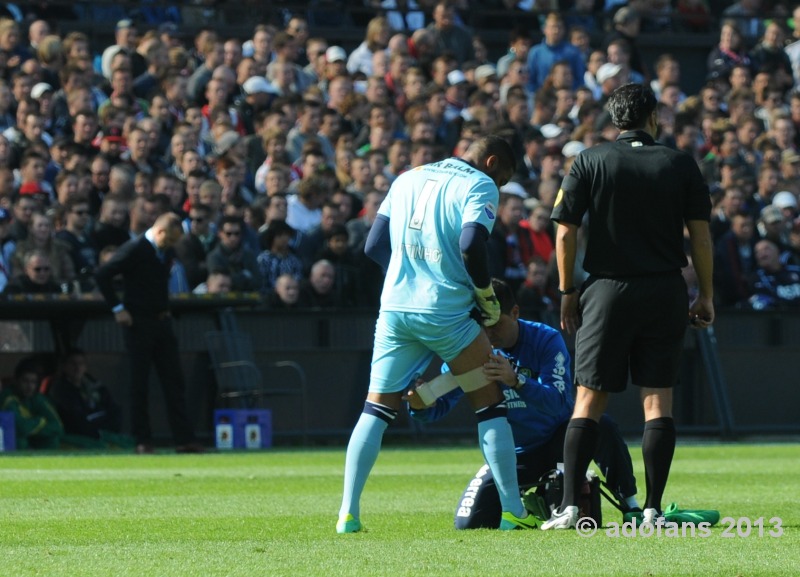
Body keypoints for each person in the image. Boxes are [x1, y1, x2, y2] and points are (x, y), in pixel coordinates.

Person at [336, 135, 538, 533]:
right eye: (501, 179)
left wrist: (405, 277)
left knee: (375, 410)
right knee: (489, 403)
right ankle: (513, 511)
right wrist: (483, 295)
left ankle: (348, 513)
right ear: (492, 162)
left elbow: (374, 245)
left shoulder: (407, 177)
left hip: (395, 308)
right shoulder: (478, 184)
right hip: (447, 313)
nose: (497, 189)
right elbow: (470, 244)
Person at [542, 84, 714, 530]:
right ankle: (654, 508)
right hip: (663, 290)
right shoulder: (679, 164)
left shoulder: (589, 160)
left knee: (588, 400)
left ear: (614, 120)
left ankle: (569, 508)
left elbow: (564, 231)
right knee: (658, 402)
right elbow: (700, 236)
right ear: (653, 116)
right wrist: (706, 295)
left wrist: (567, 290)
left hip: (606, 291)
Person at [407, 279, 639, 529]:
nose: (488, 335)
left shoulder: (545, 339)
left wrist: (516, 380)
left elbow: (560, 404)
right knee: (468, 523)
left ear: (515, 312)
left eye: (495, 325)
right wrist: (419, 406)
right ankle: (536, 500)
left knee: (599, 424)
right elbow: (439, 407)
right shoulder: (470, 349)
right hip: (512, 456)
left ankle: (631, 504)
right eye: (482, 327)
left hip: (557, 443)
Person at [94, 212, 204, 454]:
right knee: (139, 383)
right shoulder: (135, 249)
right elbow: (102, 275)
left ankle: (184, 439)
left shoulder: (165, 251)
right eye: (171, 240)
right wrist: (118, 307)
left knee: (174, 382)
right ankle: (142, 440)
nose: (173, 246)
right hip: (138, 324)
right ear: (160, 232)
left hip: (162, 322)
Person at [47, 347, 134, 448]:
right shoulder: (60, 389)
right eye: (73, 364)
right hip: (78, 433)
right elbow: (75, 417)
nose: (77, 367)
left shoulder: (94, 385)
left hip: (100, 427)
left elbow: (113, 408)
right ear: (64, 367)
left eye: (81, 364)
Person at [0, 356, 63, 449]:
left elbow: (58, 427)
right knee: (20, 441)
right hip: (8, 443)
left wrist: (31, 428)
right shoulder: (8, 397)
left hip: (32, 439)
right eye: (25, 381)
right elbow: (20, 428)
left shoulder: (37, 398)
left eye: (33, 382)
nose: (29, 386)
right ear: (16, 381)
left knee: (53, 439)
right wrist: (40, 421)